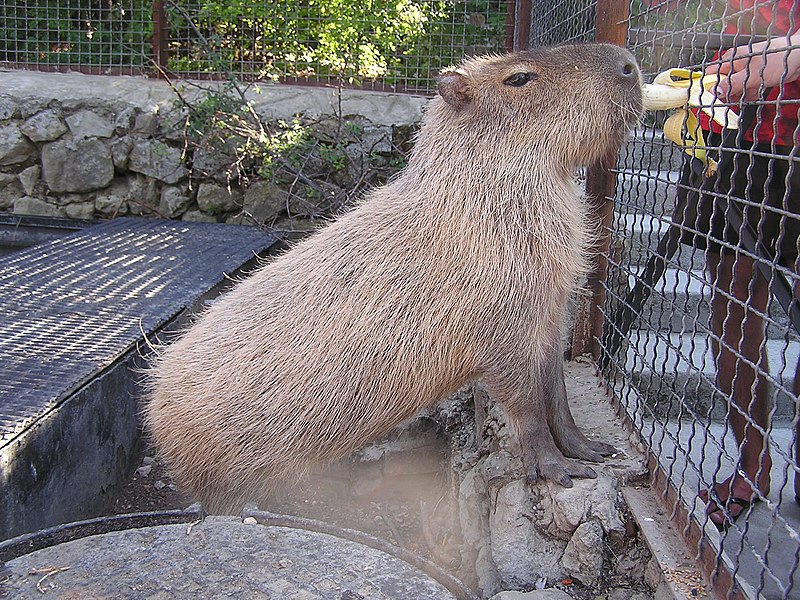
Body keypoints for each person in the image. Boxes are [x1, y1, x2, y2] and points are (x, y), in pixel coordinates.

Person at [674, 2, 800, 528]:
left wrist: (792, 53)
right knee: (732, 314)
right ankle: (754, 466)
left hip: (792, 141)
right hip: (734, 141)